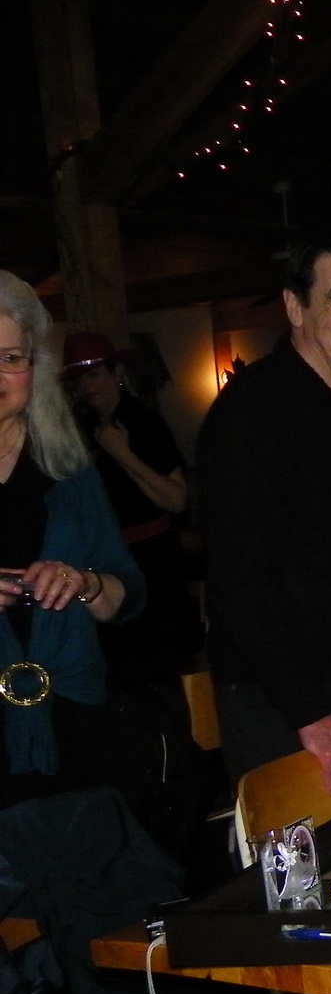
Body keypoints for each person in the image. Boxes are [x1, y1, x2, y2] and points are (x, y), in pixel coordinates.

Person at [198, 232, 331, 792]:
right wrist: (307, 711)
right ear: (295, 307)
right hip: (282, 695)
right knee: (310, 847)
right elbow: (238, 581)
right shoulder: (250, 412)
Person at [0, 275, 146, 803]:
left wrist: (83, 583)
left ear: (33, 369)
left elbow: (127, 594)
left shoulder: (67, 466)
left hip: (77, 721)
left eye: (11, 358)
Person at [63, 332, 201, 677]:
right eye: (79, 378)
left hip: (155, 564)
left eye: (94, 374)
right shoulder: (79, 429)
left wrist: (121, 453)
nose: (86, 385)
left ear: (118, 373)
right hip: (106, 566)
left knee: (163, 671)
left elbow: (176, 499)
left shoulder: (144, 422)